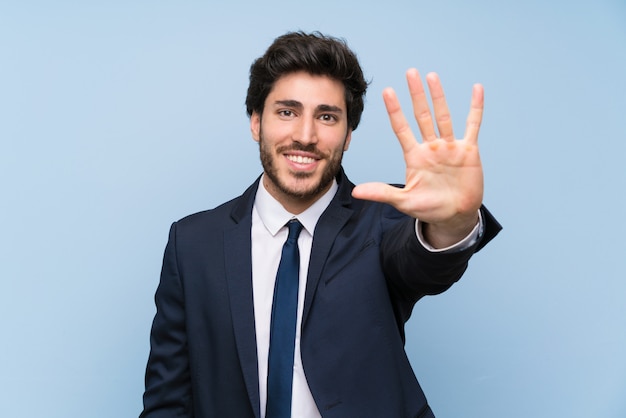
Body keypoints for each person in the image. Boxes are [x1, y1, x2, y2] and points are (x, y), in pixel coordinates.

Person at [140, 31, 501, 418]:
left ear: (347, 136)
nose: (305, 136)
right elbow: (169, 401)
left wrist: (453, 222)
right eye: (287, 111)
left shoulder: (384, 220)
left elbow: (423, 262)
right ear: (256, 122)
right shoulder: (193, 243)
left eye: (327, 116)